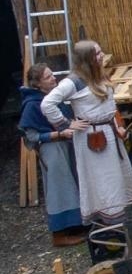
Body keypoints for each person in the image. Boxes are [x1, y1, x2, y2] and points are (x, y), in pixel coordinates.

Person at [42, 41, 132, 234]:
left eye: (101, 51)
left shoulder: (98, 74)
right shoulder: (73, 82)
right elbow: (47, 104)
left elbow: (110, 105)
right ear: (86, 59)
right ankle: (113, 226)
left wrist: (118, 125)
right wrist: (67, 124)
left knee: (120, 177)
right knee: (105, 181)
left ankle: (126, 219)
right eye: (97, 54)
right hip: (93, 139)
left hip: (110, 133)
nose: (101, 56)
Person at [19, 63, 85, 245]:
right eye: (48, 77)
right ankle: (59, 235)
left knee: (72, 184)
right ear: (38, 84)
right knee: (59, 189)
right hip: (52, 151)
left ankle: (76, 225)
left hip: (65, 147)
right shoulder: (32, 104)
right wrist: (58, 134)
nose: (53, 78)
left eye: (52, 74)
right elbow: (31, 136)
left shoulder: (54, 98)